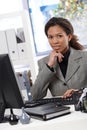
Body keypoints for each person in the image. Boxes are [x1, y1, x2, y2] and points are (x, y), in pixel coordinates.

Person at [31, 17, 87, 100]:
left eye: (59, 36)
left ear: (69, 37)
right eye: (50, 37)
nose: (55, 41)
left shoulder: (84, 57)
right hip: (60, 111)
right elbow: (35, 96)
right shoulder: (44, 63)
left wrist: (79, 92)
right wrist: (49, 66)